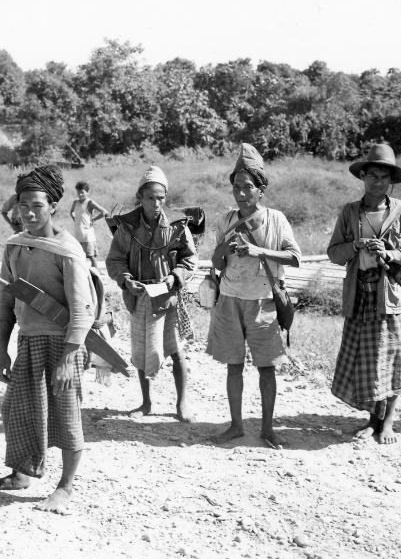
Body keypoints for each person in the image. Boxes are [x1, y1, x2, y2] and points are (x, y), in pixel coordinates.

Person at [0, 165, 95, 515]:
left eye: (36, 205)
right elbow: (6, 301)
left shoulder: (67, 250)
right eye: (23, 206)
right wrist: (2, 350)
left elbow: (81, 310)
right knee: (16, 410)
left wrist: (67, 359)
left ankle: (65, 487)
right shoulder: (15, 246)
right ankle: (21, 474)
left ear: (53, 208)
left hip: (65, 345)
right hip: (28, 342)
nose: (28, 213)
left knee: (66, 416)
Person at [327, 144, 401, 444]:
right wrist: (355, 246)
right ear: (363, 177)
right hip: (359, 296)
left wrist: (391, 252)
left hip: (391, 296)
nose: (377, 181)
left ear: (391, 181)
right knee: (367, 361)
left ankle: (389, 423)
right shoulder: (350, 212)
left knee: (392, 360)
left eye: (384, 176)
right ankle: (372, 420)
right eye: (372, 175)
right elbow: (333, 252)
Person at [206, 144, 301, 448]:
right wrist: (225, 248)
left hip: (264, 302)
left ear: (262, 190)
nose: (242, 193)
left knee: (266, 367)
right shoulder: (224, 220)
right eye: (237, 187)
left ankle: (267, 428)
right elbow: (217, 264)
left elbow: (294, 257)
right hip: (230, 299)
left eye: (249, 187)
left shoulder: (276, 220)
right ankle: (235, 426)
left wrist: (259, 251)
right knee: (234, 366)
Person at [106, 166, 197, 422]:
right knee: (141, 350)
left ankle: (181, 404)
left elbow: (189, 260)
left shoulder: (177, 228)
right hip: (139, 296)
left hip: (167, 297)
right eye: (150, 198)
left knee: (176, 351)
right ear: (140, 198)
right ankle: (145, 402)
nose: (156, 203)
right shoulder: (127, 228)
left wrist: (174, 277)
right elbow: (115, 260)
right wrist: (126, 281)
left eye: (161, 198)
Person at [69, 181, 109, 266]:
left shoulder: (90, 202)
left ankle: (96, 276)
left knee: (91, 256)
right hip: (77, 234)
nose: (80, 195)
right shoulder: (75, 202)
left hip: (87, 235)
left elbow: (104, 212)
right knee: (79, 256)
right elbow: (71, 212)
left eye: (82, 192)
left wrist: (93, 220)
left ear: (87, 192)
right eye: (78, 192)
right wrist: (75, 220)